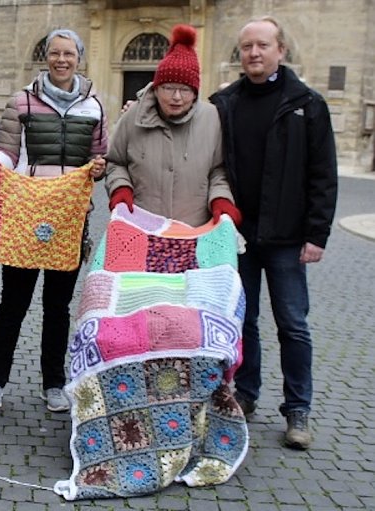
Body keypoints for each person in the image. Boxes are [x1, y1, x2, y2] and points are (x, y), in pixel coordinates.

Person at [210, 16, 338, 449]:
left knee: (293, 325)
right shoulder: (223, 103)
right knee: (243, 320)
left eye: (263, 45)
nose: (254, 53)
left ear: (280, 50)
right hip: (240, 236)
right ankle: (246, 394)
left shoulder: (307, 104)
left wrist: (316, 235)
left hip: (287, 237)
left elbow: (323, 175)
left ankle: (297, 409)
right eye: (246, 47)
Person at [0, 29, 108, 412]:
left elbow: (99, 160)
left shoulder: (94, 106)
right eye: (54, 53)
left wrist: (98, 167)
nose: (61, 60)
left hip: (69, 217)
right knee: (12, 302)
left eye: (68, 53)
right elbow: (6, 150)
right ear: (46, 57)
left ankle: (53, 383)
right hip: (26, 212)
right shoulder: (22, 101)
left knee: (57, 305)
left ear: (78, 58)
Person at [105, 24, 239, 228]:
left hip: (194, 230)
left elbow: (219, 170)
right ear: (156, 88)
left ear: (195, 92)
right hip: (141, 226)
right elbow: (115, 162)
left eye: (184, 89)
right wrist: (121, 189)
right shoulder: (133, 116)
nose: (176, 97)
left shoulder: (212, 119)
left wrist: (221, 199)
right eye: (169, 88)